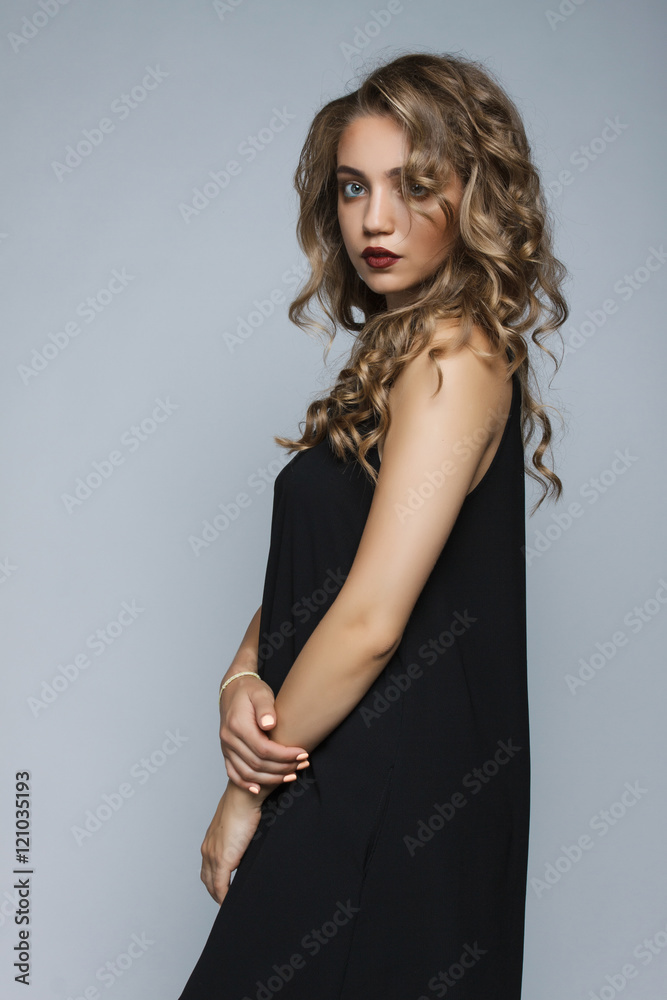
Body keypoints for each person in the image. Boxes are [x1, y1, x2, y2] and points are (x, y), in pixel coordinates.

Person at [177, 50, 567, 999]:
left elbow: (369, 621)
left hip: (392, 798)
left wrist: (244, 792)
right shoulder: (401, 352)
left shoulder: (456, 358)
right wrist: (243, 675)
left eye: (412, 185)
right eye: (353, 187)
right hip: (346, 768)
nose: (374, 219)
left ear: (474, 194)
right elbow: (335, 572)